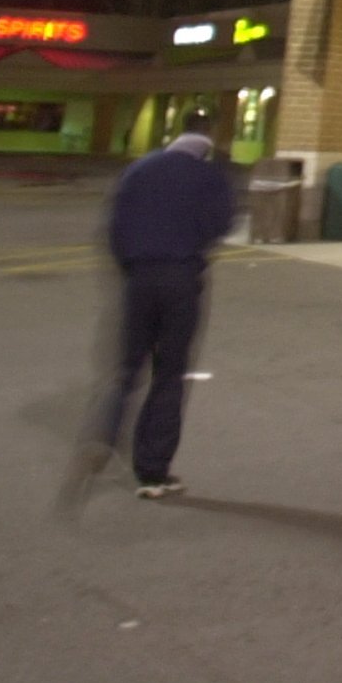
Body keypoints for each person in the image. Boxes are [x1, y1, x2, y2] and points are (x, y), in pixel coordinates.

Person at [88, 111, 235, 498]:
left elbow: (115, 227)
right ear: (208, 139)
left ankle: (105, 434)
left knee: (126, 368)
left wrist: (131, 268)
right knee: (169, 374)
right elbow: (221, 224)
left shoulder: (139, 170)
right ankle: (153, 473)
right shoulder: (210, 175)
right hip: (181, 280)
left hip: (139, 278)